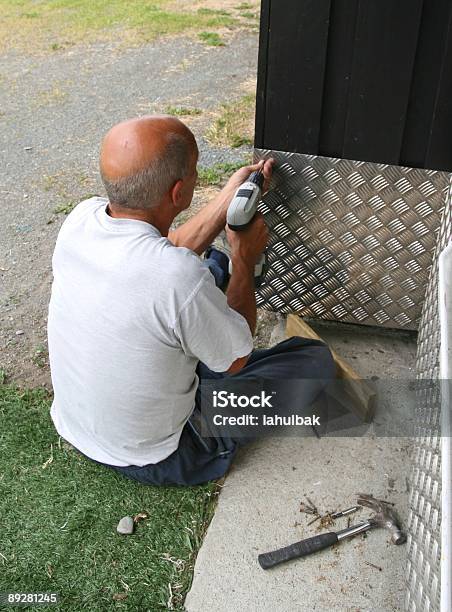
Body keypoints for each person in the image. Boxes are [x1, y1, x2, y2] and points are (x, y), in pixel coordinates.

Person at [47, 115, 335, 486]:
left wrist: (227, 199)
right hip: (165, 454)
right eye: (196, 169)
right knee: (312, 361)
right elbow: (235, 360)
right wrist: (244, 258)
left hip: (81, 427)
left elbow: (166, 254)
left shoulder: (80, 220)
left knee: (210, 270)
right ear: (178, 192)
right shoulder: (175, 277)